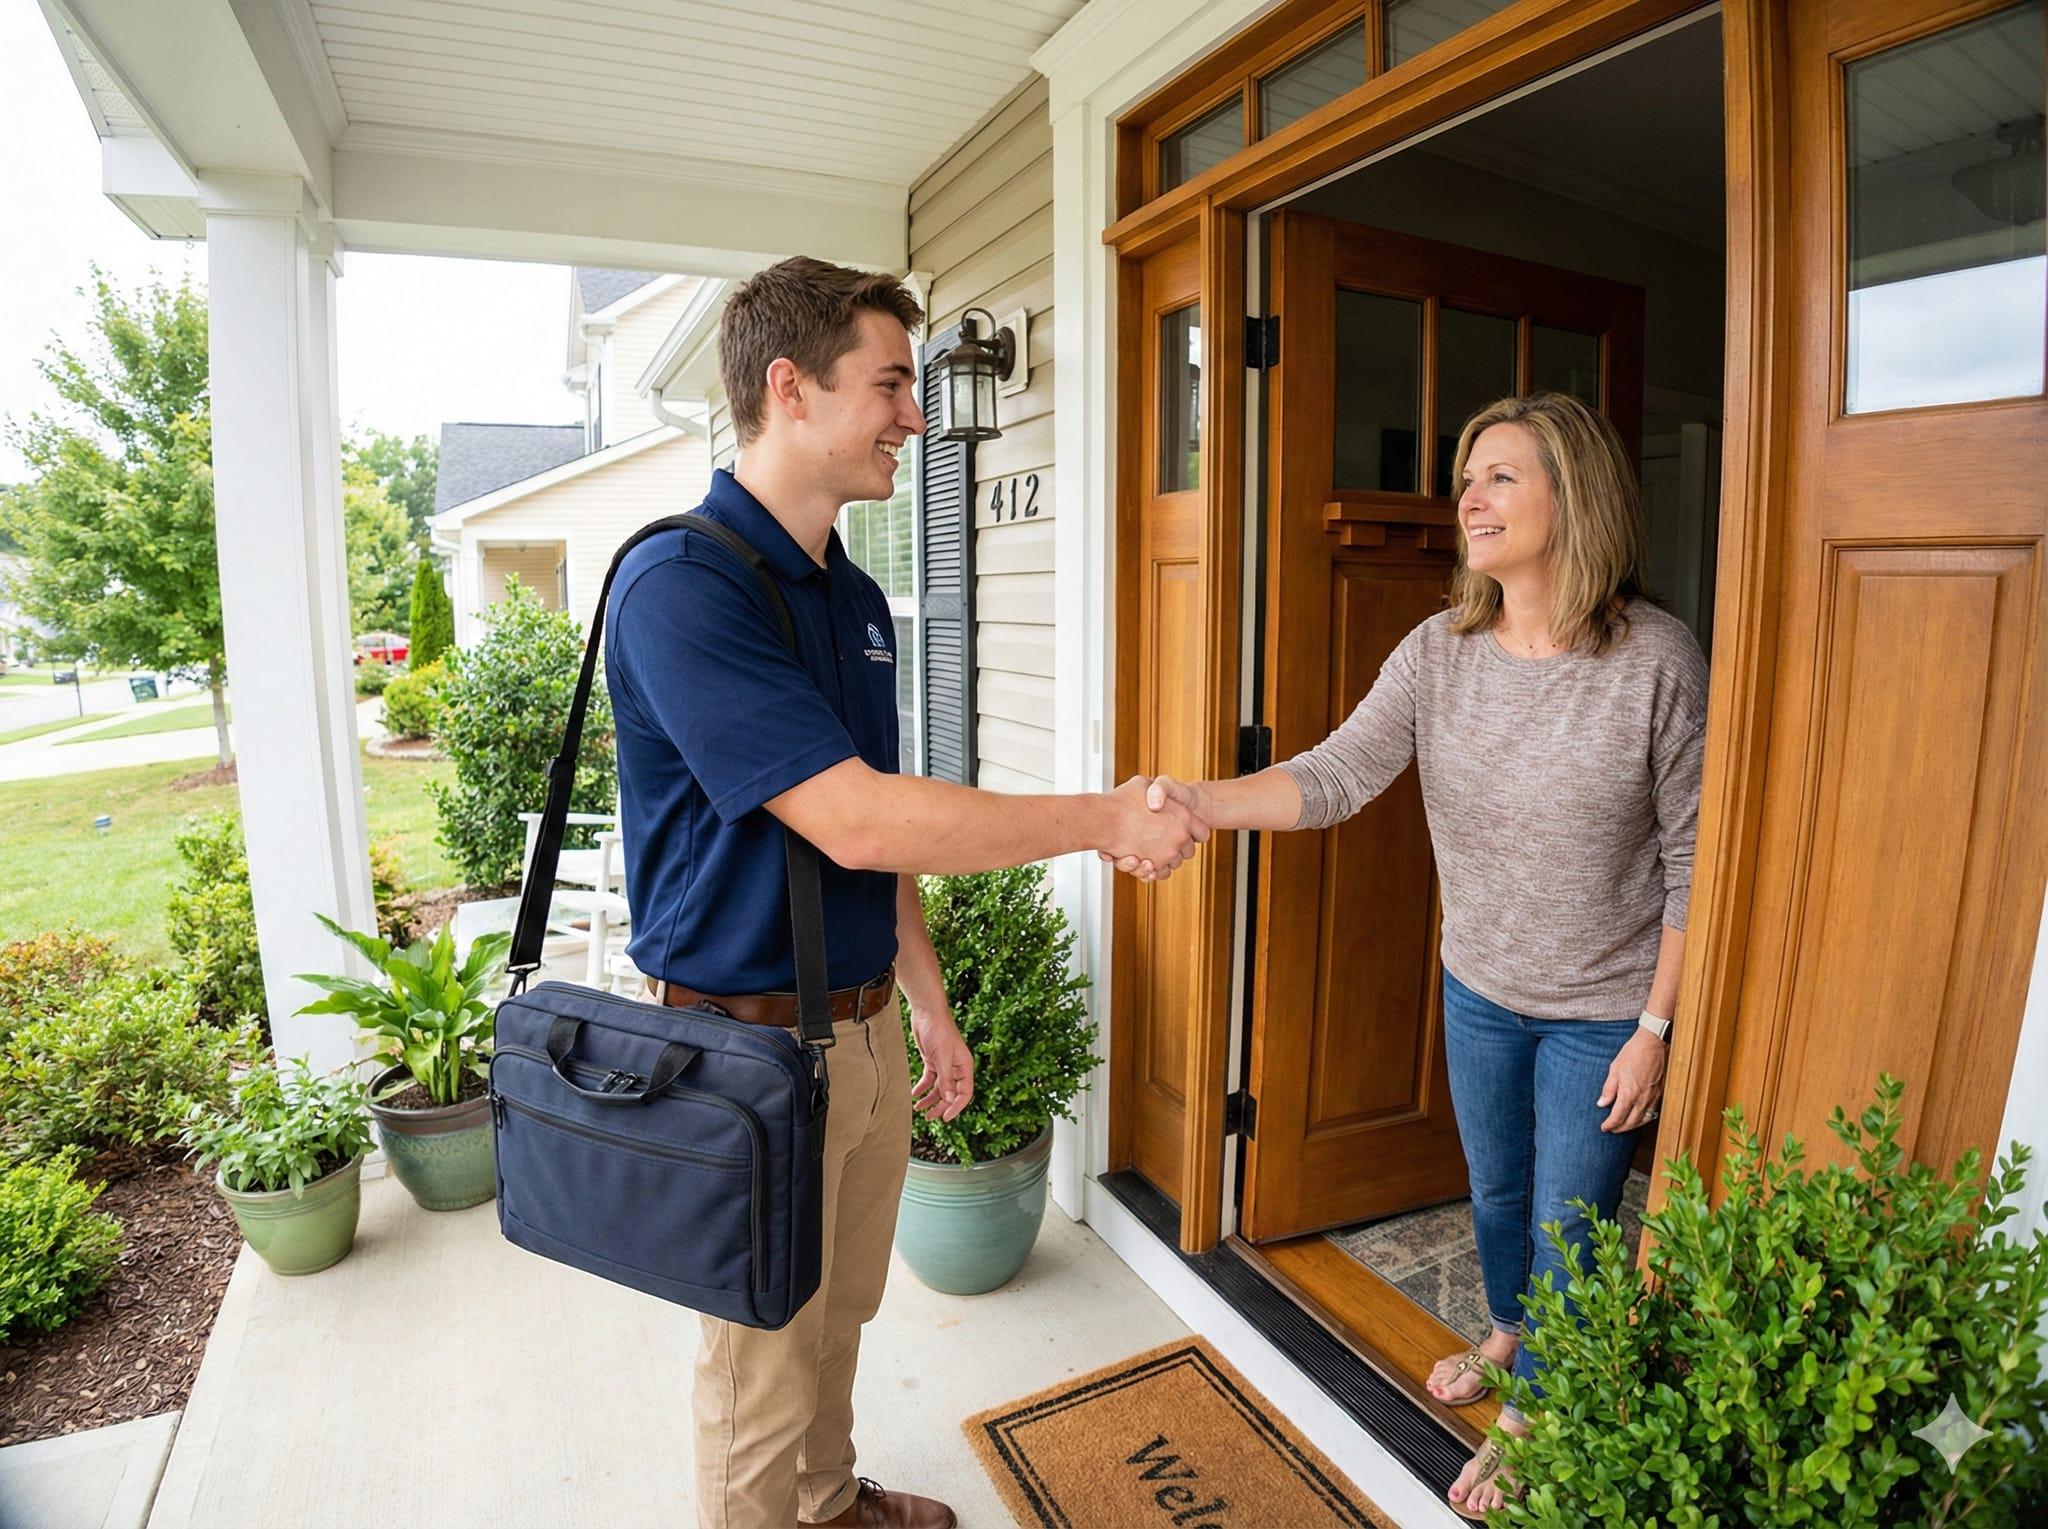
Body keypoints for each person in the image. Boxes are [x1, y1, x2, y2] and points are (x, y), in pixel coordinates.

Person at [604, 256, 1203, 1529]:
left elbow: (872, 838)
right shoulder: (682, 584)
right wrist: (1105, 818)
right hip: (743, 1048)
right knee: (759, 1357)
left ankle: (826, 1505)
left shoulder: (857, 600)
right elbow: (857, 811)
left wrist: (924, 1004)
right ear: (789, 387)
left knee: (839, 1314)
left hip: (861, 1031)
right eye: (890, 384)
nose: (917, 417)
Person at [1139, 392, 1706, 1519]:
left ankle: (1541, 1405)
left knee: (1572, 1220)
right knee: (1494, 1186)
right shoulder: (1437, 654)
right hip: (1480, 984)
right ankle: (1506, 1327)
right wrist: (1196, 797)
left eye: (1500, 474)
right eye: (1467, 475)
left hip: (1602, 1005)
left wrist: (1653, 1028)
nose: (1470, 495)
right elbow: (1335, 773)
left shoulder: (1655, 660)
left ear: (1571, 496)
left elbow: (1697, 858)